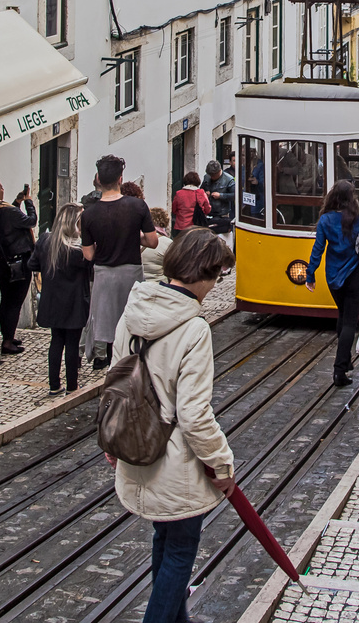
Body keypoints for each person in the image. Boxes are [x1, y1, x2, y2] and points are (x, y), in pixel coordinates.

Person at [110, 229, 236, 623]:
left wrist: (113, 445)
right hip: (176, 465)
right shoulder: (194, 329)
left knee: (165, 543)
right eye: (216, 277)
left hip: (136, 449)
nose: (214, 288)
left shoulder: (132, 312)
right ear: (202, 274)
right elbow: (195, 415)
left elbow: (114, 387)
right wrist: (222, 465)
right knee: (180, 554)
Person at [81, 155, 158, 369]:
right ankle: (132, 368)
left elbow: (88, 255)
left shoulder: (89, 214)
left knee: (109, 330)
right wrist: (134, 237)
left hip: (104, 275)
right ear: (120, 179)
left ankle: (111, 368)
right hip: (130, 273)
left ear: (98, 178)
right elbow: (152, 241)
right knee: (130, 324)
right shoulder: (138, 206)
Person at [304, 179, 359, 387]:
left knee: (342, 314)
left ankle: (345, 361)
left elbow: (318, 249)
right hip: (356, 276)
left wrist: (310, 275)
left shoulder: (325, 220)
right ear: (352, 197)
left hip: (333, 277)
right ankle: (339, 371)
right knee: (349, 321)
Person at [28, 203, 92, 394]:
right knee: (72, 344)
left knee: (56, 341)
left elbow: (32, 264)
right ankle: (72, 385)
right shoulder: (79, 252)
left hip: (52, 300)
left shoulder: (45, 242)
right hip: (74, 303)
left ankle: (54, 385)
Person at [0, 178, 37, 355]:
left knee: (6, 300)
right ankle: (7, 342)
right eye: (1, 187)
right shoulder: (8, 212)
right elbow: (30, 221)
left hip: (1, 263)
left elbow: (10, 220)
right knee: (15, 302)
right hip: (18, 264)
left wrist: (17, 202)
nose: (4, 189)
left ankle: (8, 336)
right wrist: (29, 202)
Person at [201, 159, 236, 236]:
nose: (211, 177)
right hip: (209, 213)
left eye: (213, 175)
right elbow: (201, 189)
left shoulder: (229, 179)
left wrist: (221, 196)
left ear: (219, 171)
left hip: (222, 215)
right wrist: (205, 193)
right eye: (210, 175)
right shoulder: (207, 177)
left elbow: (235, 195)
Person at [142, 207, 174, 282]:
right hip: (159, 287)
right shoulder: (167, 243)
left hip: (138, 286)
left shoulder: (139, 239)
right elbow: (173, 271)